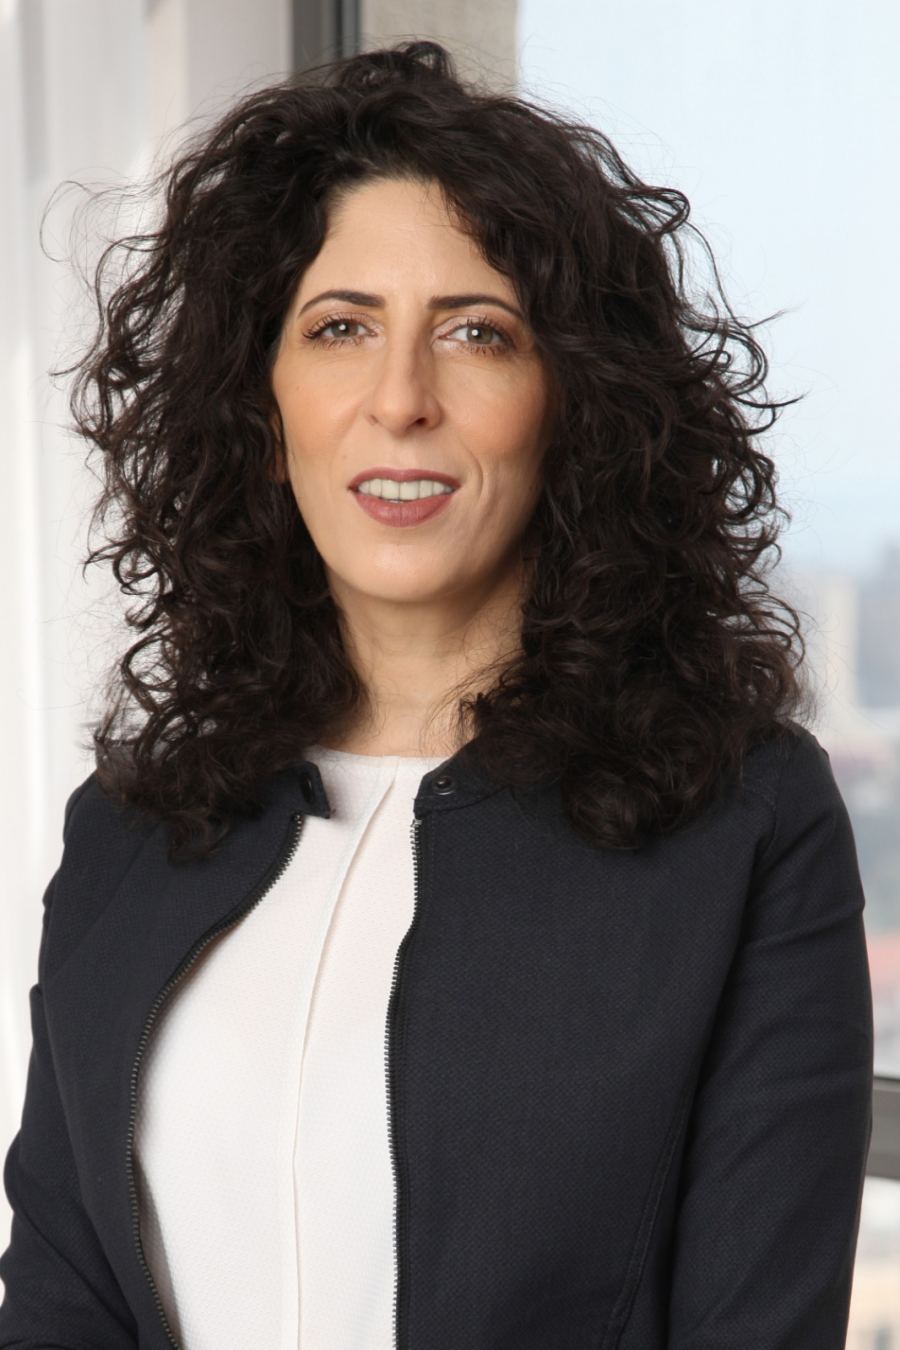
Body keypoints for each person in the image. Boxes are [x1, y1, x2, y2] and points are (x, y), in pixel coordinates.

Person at [0, 37, 873, 1350]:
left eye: (476, 333)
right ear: (261, 404)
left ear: (572, 403)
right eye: (340, 328)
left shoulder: (741, 821)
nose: (400, 399)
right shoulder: (132, 829)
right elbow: (60, 1299)